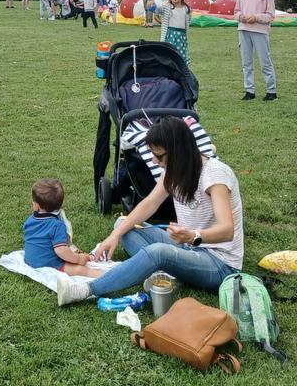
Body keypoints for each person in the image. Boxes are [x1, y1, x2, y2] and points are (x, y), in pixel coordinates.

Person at [56, 116, 243, 305]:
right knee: (123, 225)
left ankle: (87, 290)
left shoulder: (215, 175)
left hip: (220, 264)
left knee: (158, 252)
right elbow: (150, 204)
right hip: (188, 247)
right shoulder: (173, 170)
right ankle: (164, 270)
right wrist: (114, 235)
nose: (154, 161)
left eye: (159, 155)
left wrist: (193, 235)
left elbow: (227, 230)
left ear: (179, 152)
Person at [24, 179, 98, 277]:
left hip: (30, 261)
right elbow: (61, 251)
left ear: (36, 206)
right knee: (82, 270)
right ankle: (105, 277)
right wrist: (78, 259)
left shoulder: (30, 220)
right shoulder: (57, 225)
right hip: (47, 264)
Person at [235, 0, 277, 101]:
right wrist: (241, 17)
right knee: (246, 62)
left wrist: (256, 18)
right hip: (243, 29)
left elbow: (270, 16)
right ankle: (249, 90)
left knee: (265, 61)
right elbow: (236, 11)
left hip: (260, 31)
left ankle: (271, 91)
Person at [158, 0, 191, 64]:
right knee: (169, 56)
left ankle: (180, 73)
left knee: (180, 57)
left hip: (181, 37)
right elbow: (156, 10)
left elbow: (188, 22)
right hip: (170, 36)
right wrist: (150, 4)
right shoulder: (166, 7)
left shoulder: (186, 9)